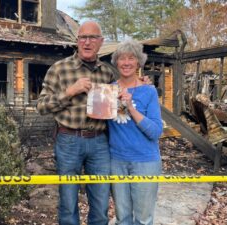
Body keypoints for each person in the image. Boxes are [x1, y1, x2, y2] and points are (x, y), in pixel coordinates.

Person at [37, 21, 113, 225]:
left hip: (99, 142)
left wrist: (141, 85)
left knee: (100, 201)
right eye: (82, 37)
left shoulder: (107, 72)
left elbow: (121, 100)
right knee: (68, 202)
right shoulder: (59, 69)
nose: (87, 42)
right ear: (77, 41)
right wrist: (70, 91)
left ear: (101, 42)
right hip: (68, 140)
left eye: (93, 38)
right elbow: (41, 106)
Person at [108, 39, 163, 225]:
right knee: (122, 218)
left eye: (131, 58)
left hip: (145, 161)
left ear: (139, 62)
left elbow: (156, 132)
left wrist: (131, 107)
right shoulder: (108, 90)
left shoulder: (149, 92)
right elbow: (97, 119)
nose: (126, 63)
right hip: (117, 161)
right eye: (122, 58)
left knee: (143, 219)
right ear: (116, 62)